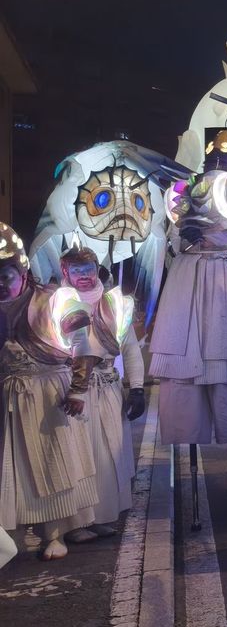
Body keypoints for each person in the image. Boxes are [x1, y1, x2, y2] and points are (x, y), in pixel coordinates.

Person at [148, 129, 227, 448]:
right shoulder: (191, 189)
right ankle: (189, 429)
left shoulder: (216, 188)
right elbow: (176, 230)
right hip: (201, 272)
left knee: (220, 346)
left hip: (204, 272)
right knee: (194, 346)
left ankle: (217, 423)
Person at [0, 223, 94, 560]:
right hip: (8, 395)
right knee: (11, 467)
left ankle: (55, 533)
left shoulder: (54, 298)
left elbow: (83, 342)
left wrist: (79, 390)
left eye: (5, 274)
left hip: (48, 393)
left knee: (51, 462)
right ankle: (9, 534)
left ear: (22, 269)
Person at [60, 243, 146, 542]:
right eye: (76, 270)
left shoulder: (115, 303)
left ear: (97, 269)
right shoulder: (58, 303)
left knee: (109, 455)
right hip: (75, 393)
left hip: (109, 388)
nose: (83, 276)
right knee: (79, 457)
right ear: (65, 272)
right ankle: (76, 522)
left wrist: (136, 387)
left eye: (88, 269)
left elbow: (131, 349)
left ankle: (101, 516)